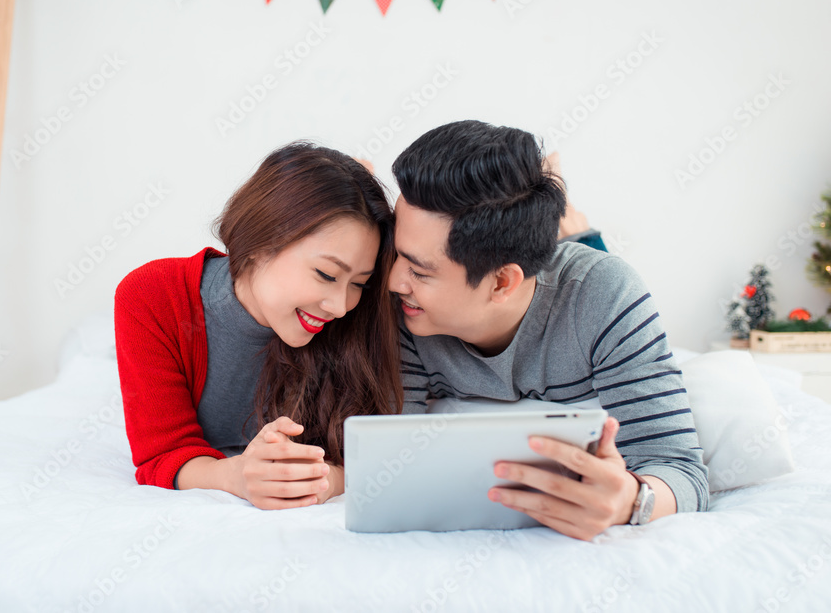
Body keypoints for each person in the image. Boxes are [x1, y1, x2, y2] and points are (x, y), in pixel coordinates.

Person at [389, 120, 708, 541]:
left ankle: (570, 221)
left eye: (419, 271)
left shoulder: (605, 294)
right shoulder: (404, 311)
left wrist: (631, 500)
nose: (393, 282)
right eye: (397, 254)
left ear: (502, 282)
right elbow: (393, 463)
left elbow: (682, 470)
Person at [114, 142, 402, 510]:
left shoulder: (362, 318)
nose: (341, 306)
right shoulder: (152, 296)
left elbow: (381, 448)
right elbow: (161, 455)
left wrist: (328, 482)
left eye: (358, 283)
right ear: (259, 244)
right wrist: (233, 475)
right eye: (326, 274)